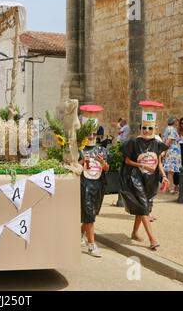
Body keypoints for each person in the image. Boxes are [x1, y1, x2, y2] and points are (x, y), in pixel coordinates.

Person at [119, 101, 168, 250]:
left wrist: (164, 176)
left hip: (151, 180)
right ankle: (153, 240)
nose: (147, 130)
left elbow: (158, 162)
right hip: (135, 178)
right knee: (144, 207)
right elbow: (127, 160)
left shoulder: (157, 144)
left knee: (143, 207)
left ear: (154, 128)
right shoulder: (133, 142)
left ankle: (134, 232)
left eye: (150, 128)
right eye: (144, 128)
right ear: (141, 128)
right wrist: (142, 165)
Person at [79, 105, 109, 258]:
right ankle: (92, 244)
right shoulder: (79, 150)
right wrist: (80, 162)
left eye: (93, 133)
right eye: (88, 133)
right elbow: (72, 168)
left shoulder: (102, 150)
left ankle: (78, 235)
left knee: (92, 215)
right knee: (89, 215)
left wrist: (103, 164)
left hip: (97, 186)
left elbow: (107, 168)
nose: (91, 136)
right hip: (83, 186)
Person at [162, 116, 181, 193]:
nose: (178, 122)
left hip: (171, 151)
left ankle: (167, 187)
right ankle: (170, 188)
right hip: (172, 152)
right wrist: (164, 151)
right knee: (171, 171)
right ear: (173, 121)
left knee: (170, 171)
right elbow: (168, 141)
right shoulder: (172, 129)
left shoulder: (168, 128)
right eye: (177, 120)